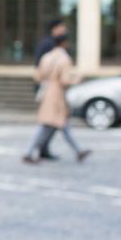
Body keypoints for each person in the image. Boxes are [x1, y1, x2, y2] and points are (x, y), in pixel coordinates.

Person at [24, 34, 91, 164]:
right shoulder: (64, 59)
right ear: (64, 43)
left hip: (47, 91)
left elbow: (38, 76)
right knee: (48, 125)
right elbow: (64, 80)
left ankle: (78, 151)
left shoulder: (46, 57)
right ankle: (29, 152)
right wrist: (76, 79)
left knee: (58, 124)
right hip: (56, 95)